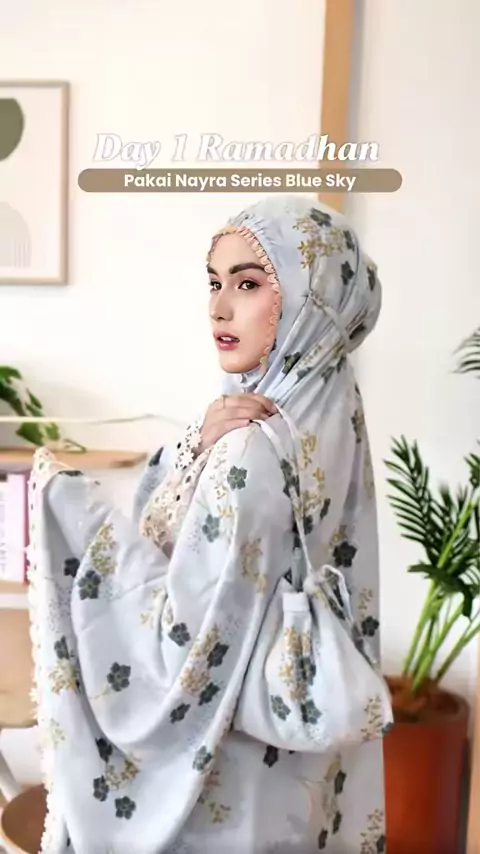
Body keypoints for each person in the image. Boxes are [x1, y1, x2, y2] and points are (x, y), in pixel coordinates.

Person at [27, 194, 393, 854]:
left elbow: (182, 643)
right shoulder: (334, 416)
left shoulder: (249, 448)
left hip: (226, 783)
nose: (219, 308)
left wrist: (69, 511)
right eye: (214, 282)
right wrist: (194, 446)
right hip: (301, 769)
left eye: (248, 284)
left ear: (308, 301)